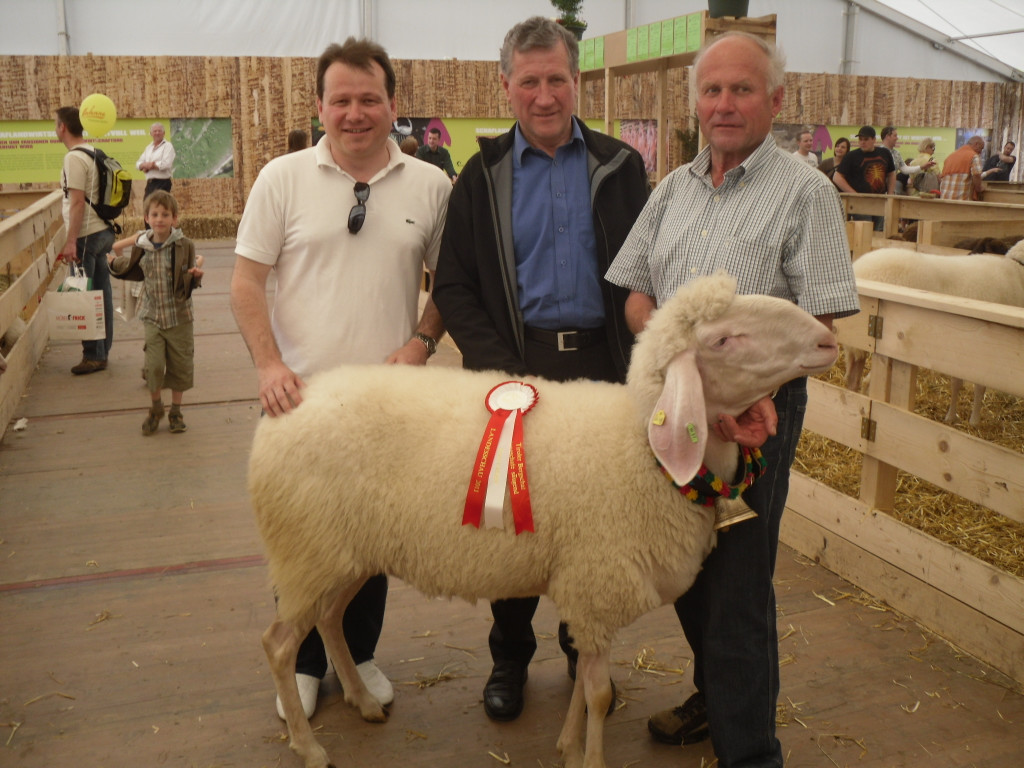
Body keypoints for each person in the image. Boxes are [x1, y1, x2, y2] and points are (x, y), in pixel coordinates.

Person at [605, 32, 859, 767]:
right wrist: (672, 354)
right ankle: (716, 698)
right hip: (678, 405)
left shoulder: (805, 192)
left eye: (741, 89)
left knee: (739, 582)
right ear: (696, 102)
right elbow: (635, 291)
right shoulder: (671, 190)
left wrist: (754, 390)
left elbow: (821, 320)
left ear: (774, 100)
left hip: (755, 415)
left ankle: (750, 753)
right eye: (711, 90)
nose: (723, 104)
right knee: (687, 567)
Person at [432, 15, 650, 723]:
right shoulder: (482, 175)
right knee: (514, 520)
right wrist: (500, 370)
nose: (545, 95)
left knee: (595, 523)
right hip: (516, 371)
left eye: (557, 78)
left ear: (576, 81)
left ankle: (585, 656)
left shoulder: (620, 167)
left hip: (604, 368)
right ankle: (508, 658)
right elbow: (454, 285)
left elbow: (649, 271)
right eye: (529, 81)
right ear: (506, 87)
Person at [230, 37, 451, 721]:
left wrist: (421, 341)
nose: (355, 113)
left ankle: (359, 653)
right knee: (304, 537)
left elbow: (449, 285)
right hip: (301, 403)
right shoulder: (282, 178)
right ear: (321, 106)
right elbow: (246, 282)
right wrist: (269, 364)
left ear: (393, 103)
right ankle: (302, 662)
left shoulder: (431, 186)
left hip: (387, 406)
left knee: (376, 535)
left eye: (369, 99)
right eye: (342, 100)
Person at [107, 191, 203, 435]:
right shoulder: (142, 246)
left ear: (175, 219)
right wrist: (112, 263)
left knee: (180, 366)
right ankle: (156, 407)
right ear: (146, 218)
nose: (160, 219)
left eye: (165, 214)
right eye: (155, 214)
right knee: (153, 366)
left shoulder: (185, 245)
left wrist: (195, 277)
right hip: (152, 316)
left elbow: (189, 279)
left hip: (180, 317)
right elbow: (130, 266)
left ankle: (176, 412)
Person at [56, 106, 116, 375]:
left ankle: (92, 355)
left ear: (62, 127)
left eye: (56, 124)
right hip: (102, 231)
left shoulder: (73, 158)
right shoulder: (93, 152)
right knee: (101, 294)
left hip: (86, 236)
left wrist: (71, 242)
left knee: (85, 297)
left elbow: (77, 202)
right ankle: (102, 351)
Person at [834, 125, 895, 231]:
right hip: (861, 203)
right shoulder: (852, 156)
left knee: (880, 231)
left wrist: (890, 194)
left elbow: (891, 173)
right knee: (863, 232)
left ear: (874, 140)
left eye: (866, 139)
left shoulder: (885, 153)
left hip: (880, 201)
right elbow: (837, 177)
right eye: (860, 139)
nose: (862, 142)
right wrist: (854, 194)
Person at [879, 125, 934, 194]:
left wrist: (922, 167)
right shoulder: (878, 152)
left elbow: (905, 169)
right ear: (887, 136)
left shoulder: (896, 153)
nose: (897, 138)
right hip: (878, 190)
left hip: (890, 190)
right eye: (895, 136)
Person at [939, 135, 985, 201]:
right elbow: (977, 175)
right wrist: (979, 188)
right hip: (961, 201)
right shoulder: (973, 156)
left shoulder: (950, 156)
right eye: (981, 148)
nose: (981, 152)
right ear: (976, 144)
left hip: (944, 199)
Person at [136, 123, 176, 197]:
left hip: (162, 183)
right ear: (151, 134)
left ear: (164, 133)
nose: (157, 133)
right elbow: (138, 164)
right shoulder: (148, 147)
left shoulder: (168, 146)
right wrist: (146, 165)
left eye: (159, 131)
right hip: (150, 183)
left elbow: (166, 164)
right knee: (147, 203)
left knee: (158, 204)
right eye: (155, 131)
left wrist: (152, 165)